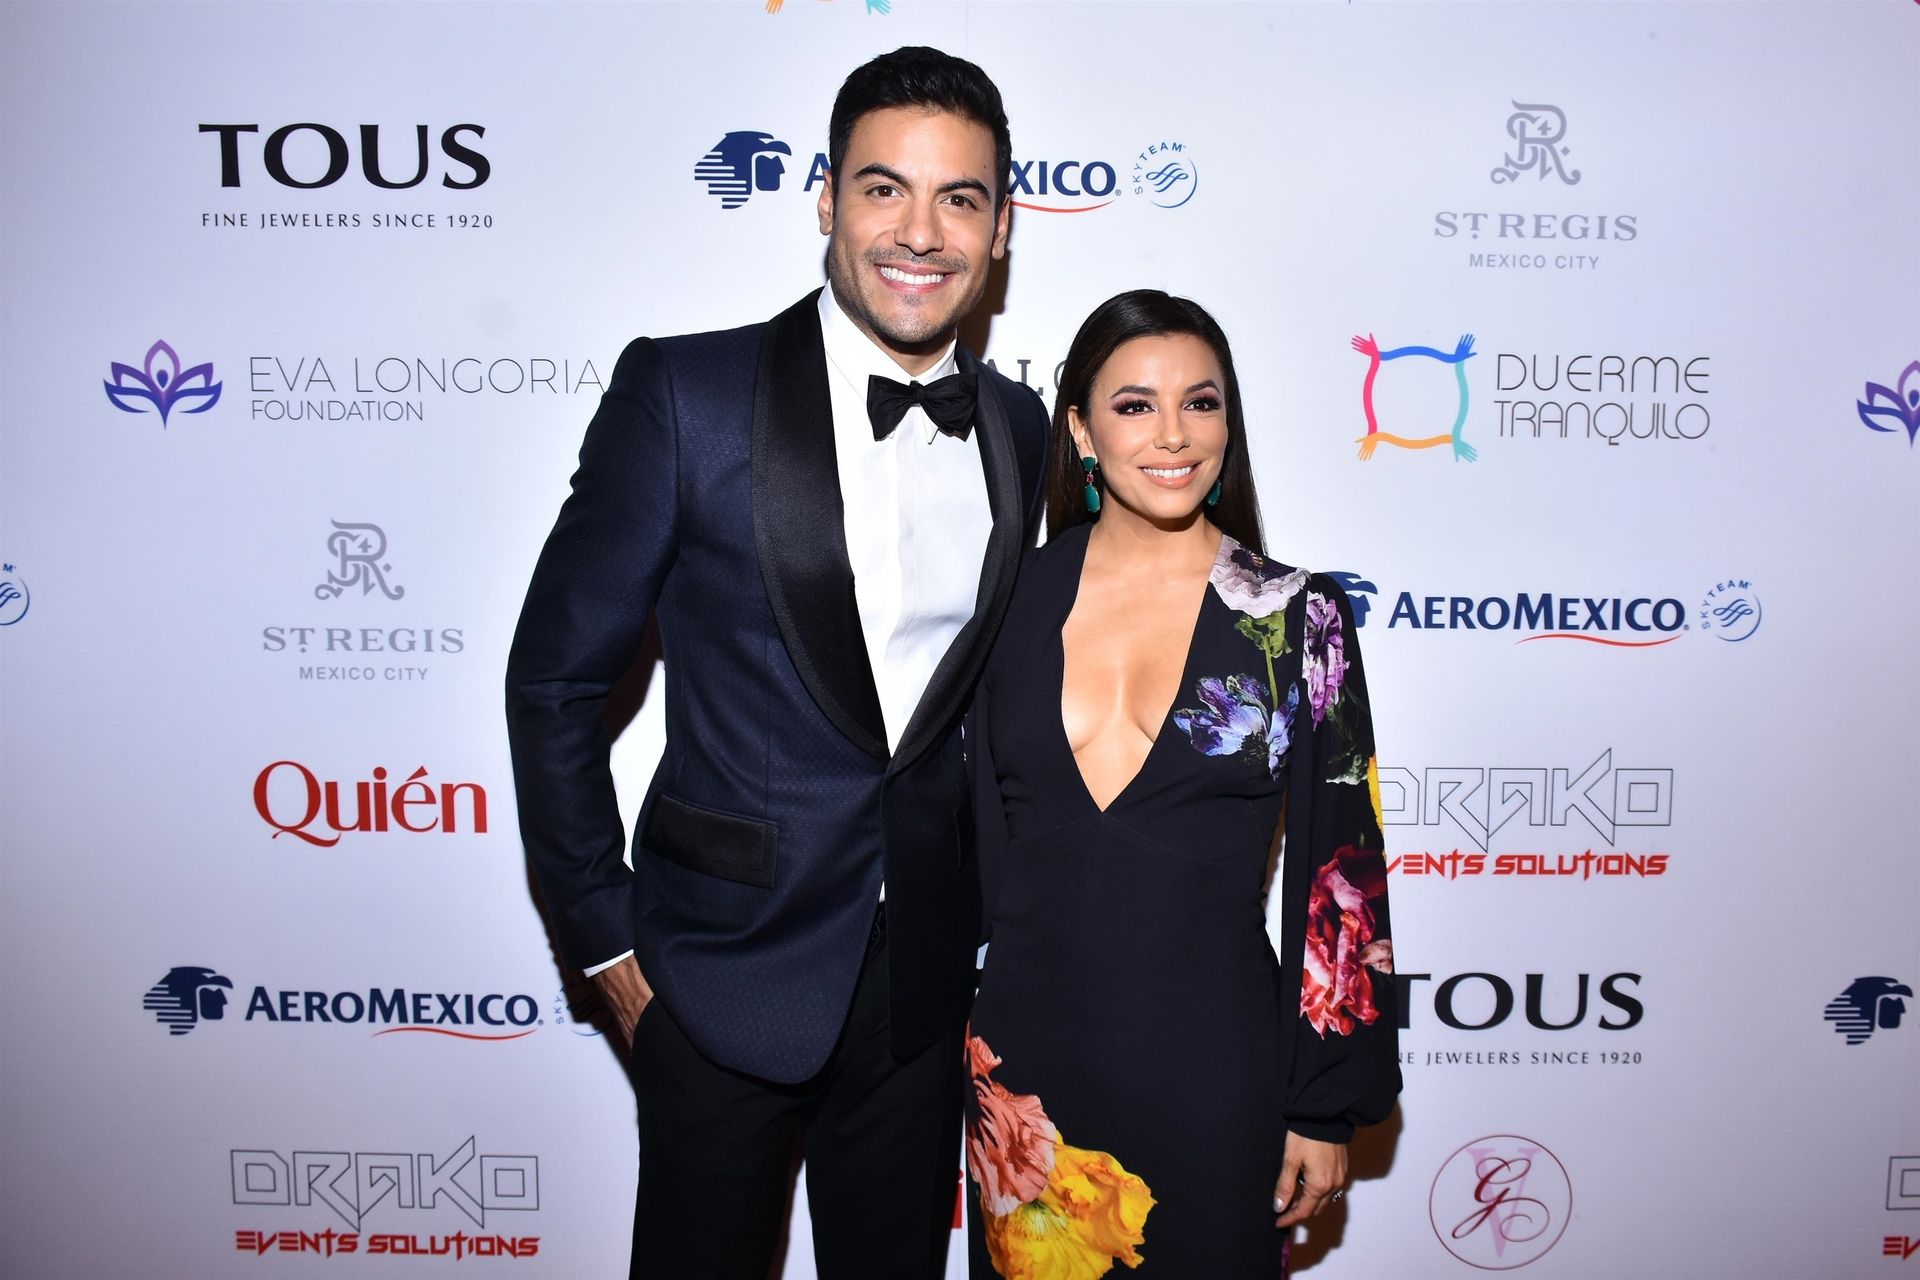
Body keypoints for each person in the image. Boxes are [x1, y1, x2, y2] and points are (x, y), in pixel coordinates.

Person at [504, 47, 1048, 1279]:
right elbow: (554, 682)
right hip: (720, 974)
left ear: (1003, 228)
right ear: (825, 201)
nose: (921, 232)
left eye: (960, 198)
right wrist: (608, 949)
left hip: (923, 995)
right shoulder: (688, 393)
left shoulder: (1017, 425)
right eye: (883, 188)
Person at [962, 291, 1400, 1277]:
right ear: (1081, 430)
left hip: (1215, 1071)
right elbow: (964, 845)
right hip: (1026, 1077)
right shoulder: (1005, 603)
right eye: (1135, 405)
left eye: (1200, 403)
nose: (1173, 434)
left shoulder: (1296, 617)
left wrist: (1323, 1103)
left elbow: (1340, 872)